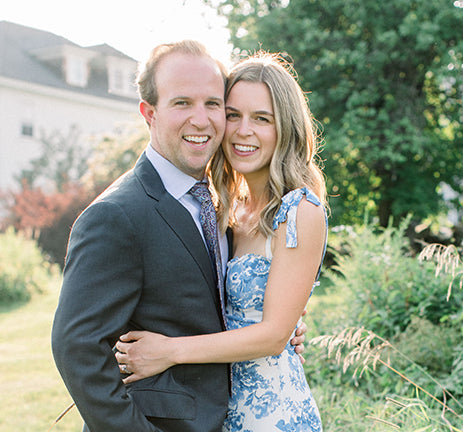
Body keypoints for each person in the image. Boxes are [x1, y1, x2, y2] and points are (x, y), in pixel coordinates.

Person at [51, 41, 306, 432]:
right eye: (182, 103)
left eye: (213, 103)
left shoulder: (221, 204)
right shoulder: (116, 215)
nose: (201, 120)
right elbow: (78, 350)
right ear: (149, 113)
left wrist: (277, 324)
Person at [114, 51, 327, 431]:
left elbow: (274, 335)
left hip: (274, 414)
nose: (243, 130)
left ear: (286, 128)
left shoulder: (300, 211)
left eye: (262, 119)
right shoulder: (226, 209)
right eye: (233, 115)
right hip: (221, 410)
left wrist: (169, 352)